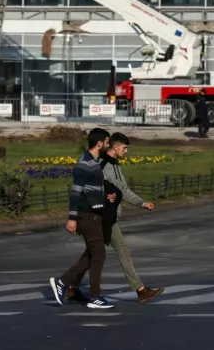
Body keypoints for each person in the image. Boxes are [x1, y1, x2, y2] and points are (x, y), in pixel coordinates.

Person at [68, 133, 165, 304]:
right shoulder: (102, 165)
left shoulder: (115, 165)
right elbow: (90, 188)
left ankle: (70, 287)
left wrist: (142, 203)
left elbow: (123, 190)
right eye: (124, 148)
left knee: (92, 253)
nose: (126, 151)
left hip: (109, 216)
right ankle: (140, 290)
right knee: (122, 250)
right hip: (103, 217)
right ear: (115, 147)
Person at [49, 127, 114, 310]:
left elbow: (90, 189)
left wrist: (105, 198)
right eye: (107, 143)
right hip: (86, 216)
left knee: (92, 254)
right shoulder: (84, 164)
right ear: (99, 143)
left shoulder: (93, 162)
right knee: (99, 254)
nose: (108, 146)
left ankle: (63, 282)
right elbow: (76, 192)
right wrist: (72, 218)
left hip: (94, 214)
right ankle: (94, 296)